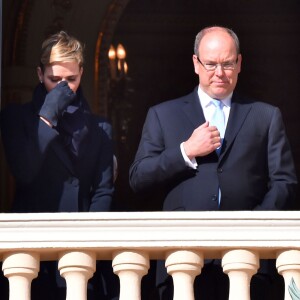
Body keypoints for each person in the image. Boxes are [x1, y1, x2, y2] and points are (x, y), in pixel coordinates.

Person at [129, 26, 298, 300]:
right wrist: (185, 151)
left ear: (239, 63)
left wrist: (254, 224)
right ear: (196, 63)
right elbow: (138, 177)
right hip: (183, 260)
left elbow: (284, 182)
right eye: (210, 64)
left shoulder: (265, 116)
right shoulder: (163, 114)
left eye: (227, 63)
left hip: (248, 259)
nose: (219, 72)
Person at [0, 31, 118, 299]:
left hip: (82, 254)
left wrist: (89, 244)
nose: (64, 88)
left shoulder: (101, 128)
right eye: (55, 80)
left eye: (71, 80)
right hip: (32, 253)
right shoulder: (14, 118)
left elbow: (102, 191)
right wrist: (47, 117)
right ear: (40, 75)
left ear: (82, 74)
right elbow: (25, 171)